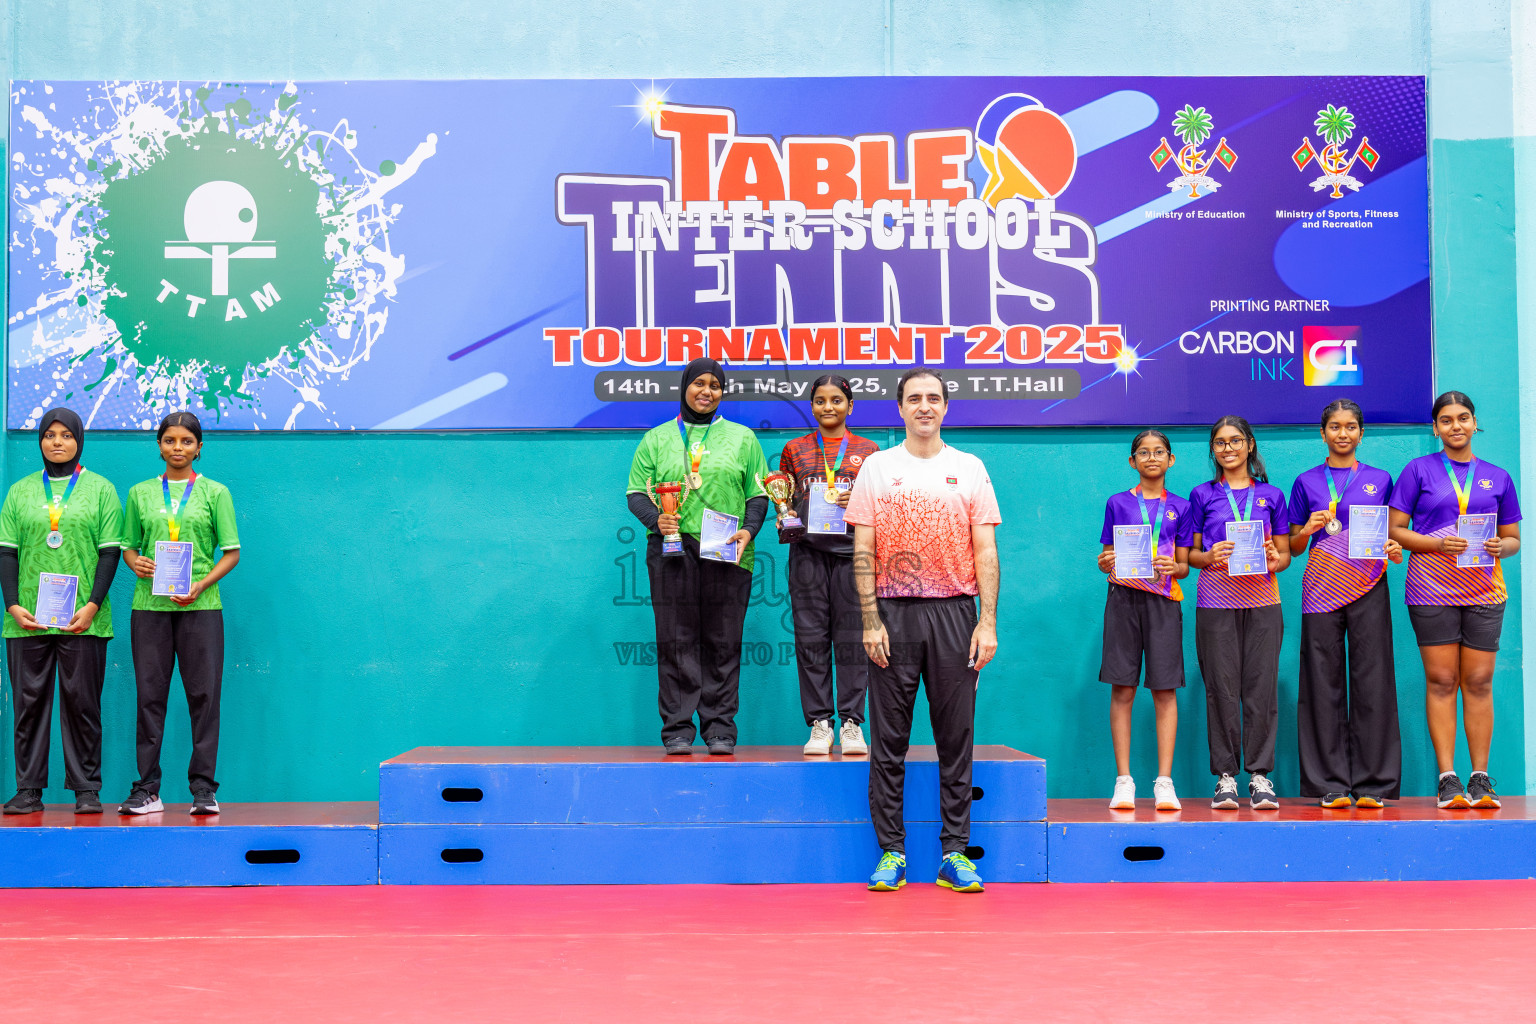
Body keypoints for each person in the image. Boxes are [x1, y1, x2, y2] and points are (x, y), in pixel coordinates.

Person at [847, 368, 1000, 894]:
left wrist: (987, 621)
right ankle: (892, 852)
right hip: (892, 615)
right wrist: (869, 619)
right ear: (900, 409)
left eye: (934, 398)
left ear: (945, 408)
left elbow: (985, 551)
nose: (925, 407)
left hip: (957, 614)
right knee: (888, 741)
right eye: (914, 399)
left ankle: (954, 854)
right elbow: (862, 550)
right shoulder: (876, 468)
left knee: (955, 740)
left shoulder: (970, 468)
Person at [626, 358, 769, 755]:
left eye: (716, 385)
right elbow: (636, 492)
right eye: (699, 383)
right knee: (676, 640)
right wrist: (658, 521)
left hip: (726, 544)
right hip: (672, 548)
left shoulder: (743, 438)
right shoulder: (656, 439)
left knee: (723, 640)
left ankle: (721, 728)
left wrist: (749, 529)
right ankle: (677, 729)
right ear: (685, 386)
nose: (707, 391)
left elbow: (759, 494)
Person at [1388, 391, 1520, 809]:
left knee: (1479, 681)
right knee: (1443, 681)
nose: (1455, 426)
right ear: (1435, 428)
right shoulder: (1418, 470)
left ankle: (1480, 778)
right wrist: (1435, 544)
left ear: (1474, 422)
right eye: (1446, 420)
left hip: (1484, 589)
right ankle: (1448, 779)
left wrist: (1503, 546)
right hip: (1431, 589)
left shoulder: (1497, 476)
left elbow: (1514, 538)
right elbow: (1396, 530)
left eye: (1463, 418)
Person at [0, 408, 122, 816]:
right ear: (40, 442)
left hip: (83, 620)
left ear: (79, 440)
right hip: (27, 620)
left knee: (83, 705)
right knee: (28, 705)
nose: (57, 442)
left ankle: (86, 788)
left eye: (66, 435)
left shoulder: (101, 489)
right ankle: (28, 789)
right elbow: (6, 552)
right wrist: (13, 605)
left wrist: (91, 606)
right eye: (49, 434)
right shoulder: (19, 491)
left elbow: (109, 552)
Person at [118, 412, 241, 816]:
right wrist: (133, 562)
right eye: (170, 440)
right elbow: (128, 547)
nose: (177, 448)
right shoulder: (139, 492)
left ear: (199, 447)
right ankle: (147, 789)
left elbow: (232, 552)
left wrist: (202, 584)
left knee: (204, 698)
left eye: (186, 441)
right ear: (159, 445)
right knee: (150, 698)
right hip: (149, 608)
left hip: (201, 608)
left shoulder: (215, 492)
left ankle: (203, 789)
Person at [1287, 399, 1404, 808]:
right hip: (1320, 589)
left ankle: (1374, 783)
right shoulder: (1305, 482)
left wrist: (1393, 547)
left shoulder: (1380, 479)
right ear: (1323, 433)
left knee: (1373, 678)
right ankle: (1329, 784)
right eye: (1334, 427)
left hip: (1369, 585)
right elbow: (1294, 546)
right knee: (1322, 681)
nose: (1343, 434)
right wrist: (1309, 529)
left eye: (1351, 426)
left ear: (1361, 432)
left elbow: (1394, 533)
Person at [1187, 415, 1291, 811]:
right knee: (1221, 689)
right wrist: (1208, 556)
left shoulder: (1273, 496)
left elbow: (1283, 557)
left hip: (1264, 602)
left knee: (1261, 689)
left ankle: (1261, 776)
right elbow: (1190, 556)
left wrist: (1272, 557)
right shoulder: (1202, 495)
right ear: (1213, 450)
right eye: (1219, 443)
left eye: (1235, 441)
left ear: (1250, 445)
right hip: (1216, 603)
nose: (1227, 448)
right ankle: (1226, 778)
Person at [776, 375, 880, 756]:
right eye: (820, 400)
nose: (828, 407)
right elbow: (783, 497)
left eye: (837, 400)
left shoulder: (869, 451)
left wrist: (857, 499)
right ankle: (820, 724)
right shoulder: (795, 449)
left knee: (853, 640)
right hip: (807, 554)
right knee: (810, 639)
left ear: (850, 406)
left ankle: (852, 723)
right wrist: (782, 513)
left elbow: (880, 505)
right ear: (812, 405)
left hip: (853, 555)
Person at [1096, 429, 1193, 812]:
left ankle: (1164, 782)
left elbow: (1184, 564)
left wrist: (1176, 566)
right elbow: (1106, 555)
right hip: (1122, 600)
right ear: (1132, 461)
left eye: (1159, 452)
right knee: (1122, 688)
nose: (1151, 458)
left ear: (1170, 460)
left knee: (1165, 690)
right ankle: (1124, 780)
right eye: (1143, 452)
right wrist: (1105, 562)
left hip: (1164, 601)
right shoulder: (1117, 503)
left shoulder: (1182, 507)